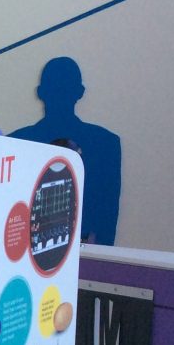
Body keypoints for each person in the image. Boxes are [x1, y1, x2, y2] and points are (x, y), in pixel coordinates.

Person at [9, 56, 121, 245]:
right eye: (56, 89)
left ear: (79, 92)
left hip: (87, 252)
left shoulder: (105, 144)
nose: (60, 96)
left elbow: (107, 213)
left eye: (65, 89)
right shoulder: (16, 143)